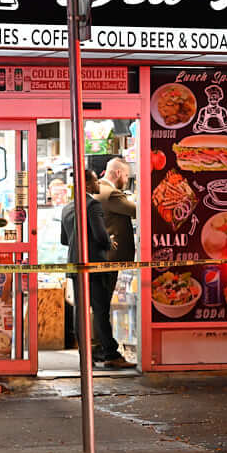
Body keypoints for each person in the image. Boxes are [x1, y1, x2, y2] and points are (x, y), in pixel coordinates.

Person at [60, 169, 120, 367]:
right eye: (95, 181)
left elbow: (63, 240)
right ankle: (111, 354)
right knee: (101, 310)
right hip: (94, 264)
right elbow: (101, 236)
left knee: (80, 310)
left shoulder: (67, 208)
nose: (98, 184)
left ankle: (84, 355)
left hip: (75, 264)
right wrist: (109, 242)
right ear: (85, 184)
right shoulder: (92, 205)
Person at [94, 157, 138, 369]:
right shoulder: (111, 193)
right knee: (102, 307)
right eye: (127, 177)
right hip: (109, 260)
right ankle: (109, 352)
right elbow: (138, 211)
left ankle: (99, 349)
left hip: (101, 258)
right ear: (118, 173)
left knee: (99, 307)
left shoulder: (98, 191)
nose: (127, 181)